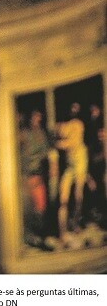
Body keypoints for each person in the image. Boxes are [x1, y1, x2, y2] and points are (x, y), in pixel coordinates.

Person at [18, 109, 54, 242]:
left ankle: (40, 234)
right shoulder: (24, 134)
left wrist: (51, 168)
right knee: (28, 207)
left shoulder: (42, 134)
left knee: (40, 206)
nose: (36, 119)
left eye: (39, 117)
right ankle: (31, 235)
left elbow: (48, 154)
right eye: (34, 117)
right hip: (25, 175)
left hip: (38, 174)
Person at [55, 102, 88, 243]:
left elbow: (73, 142)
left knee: (78, 195)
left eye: (76, 108)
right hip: (69, 165)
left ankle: (75, 223)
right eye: (72, 108)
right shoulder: (62, 125)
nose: (74, 110)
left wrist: (59, 143)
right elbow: (59, 134)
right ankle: (62, 232)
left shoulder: (78, 124)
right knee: (63, 198)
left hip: (80, 160)